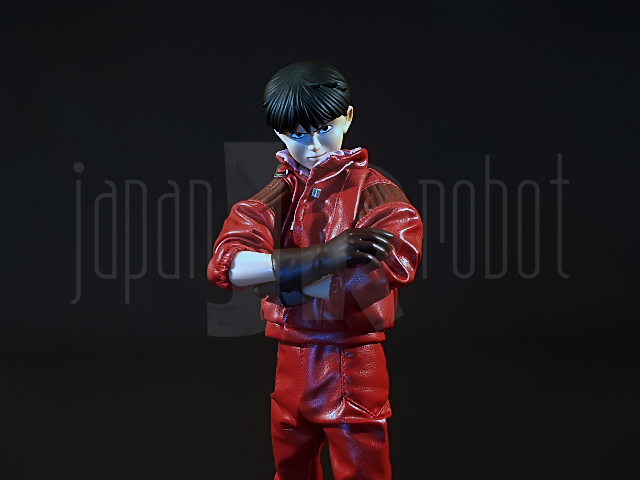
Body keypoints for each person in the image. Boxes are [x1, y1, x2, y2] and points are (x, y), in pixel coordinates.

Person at [208, 60, 423, 480]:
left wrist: (276, 282)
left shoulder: (375, 192)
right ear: (280, 134)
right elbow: (228, 264)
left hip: (351, 359)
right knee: (291, 466)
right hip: (291, 359)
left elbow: (383, 271)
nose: (314, 146)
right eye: (297, 134)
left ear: (347, 118)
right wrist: (327, 256)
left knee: (361, 468)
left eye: (324, 128)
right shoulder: (281, 191)